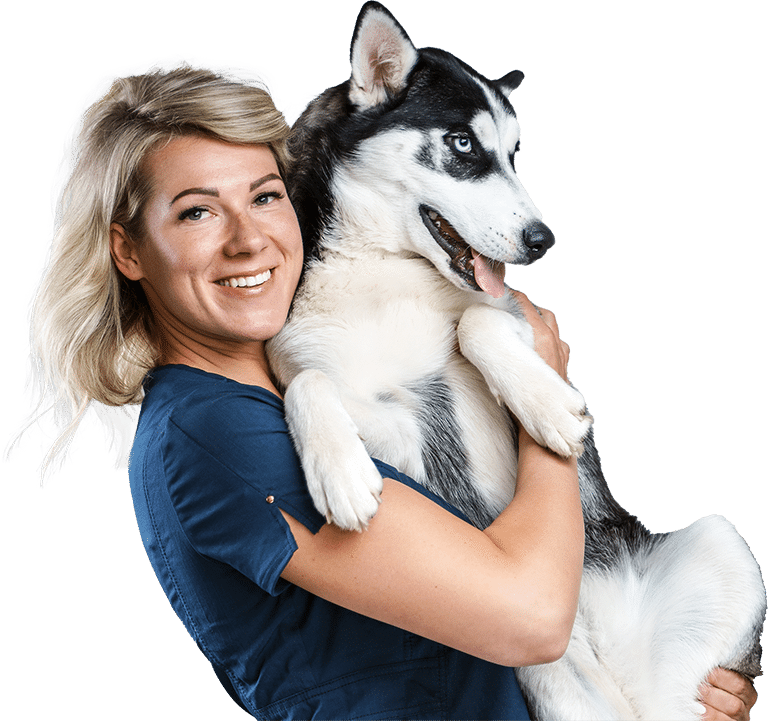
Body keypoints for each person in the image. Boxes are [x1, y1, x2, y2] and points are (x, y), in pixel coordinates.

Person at [5, 63, 757, 720]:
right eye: (197, 211)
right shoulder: (213, 430)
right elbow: (531, 619)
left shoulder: (277, 378)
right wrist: (547, 396)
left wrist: (682, 682)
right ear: (128, 248)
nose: (249, 239)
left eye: (265, 196)